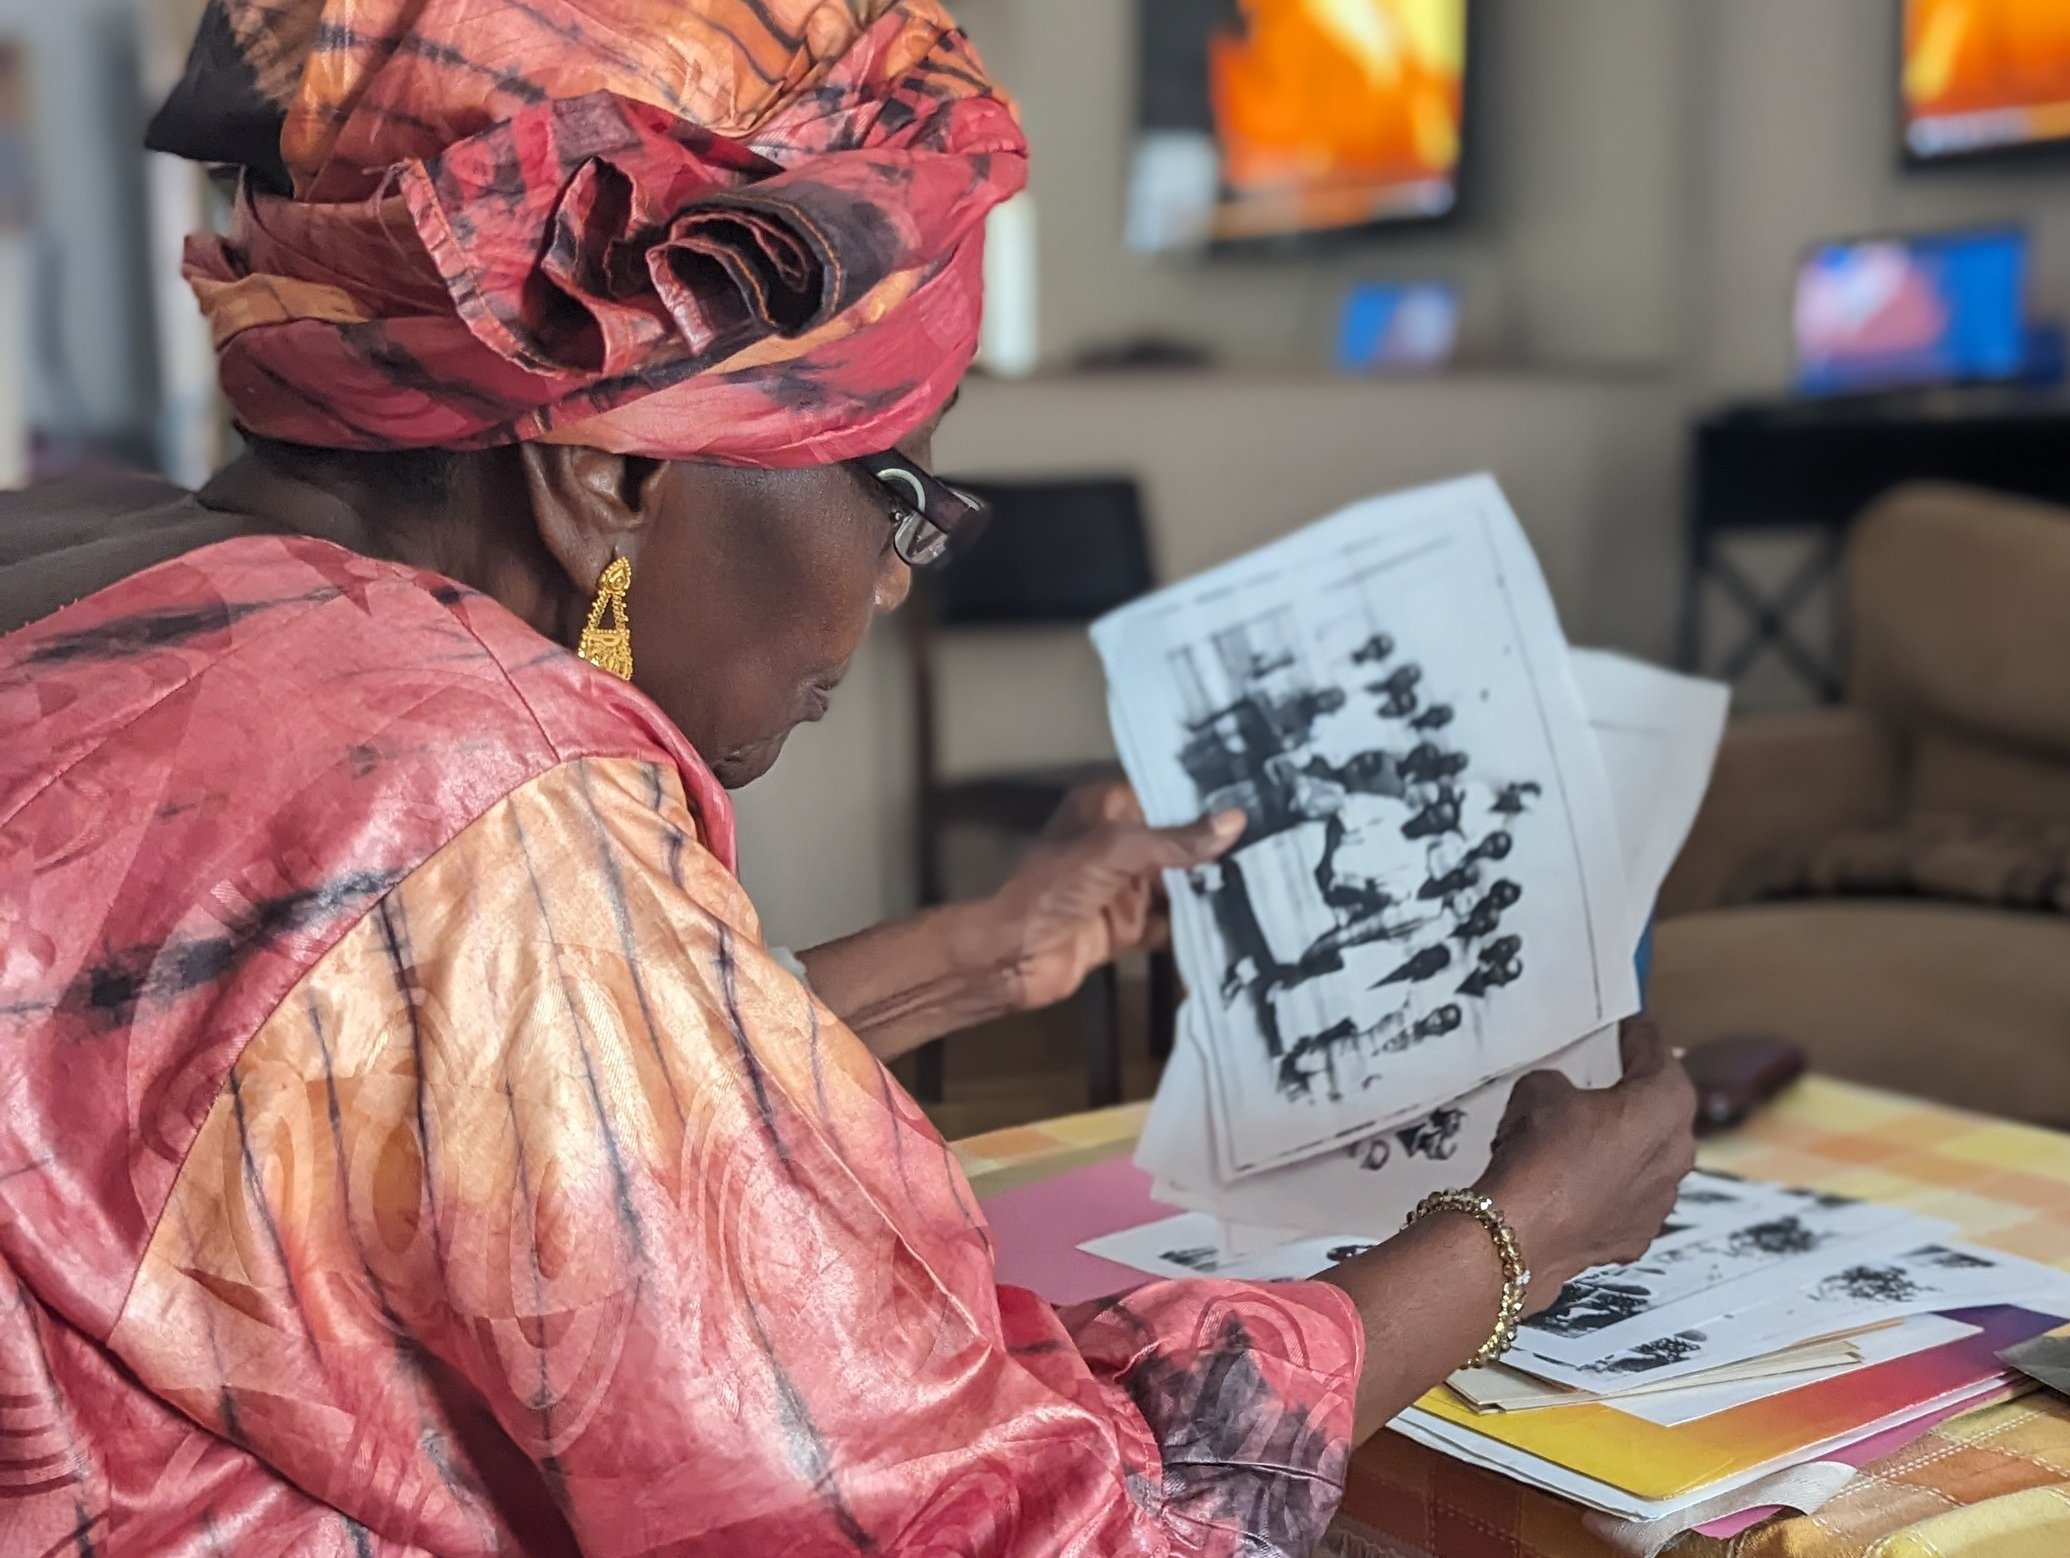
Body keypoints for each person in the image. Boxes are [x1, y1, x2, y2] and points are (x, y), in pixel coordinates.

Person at [0, 1, 1697, 1552]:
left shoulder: (87, 563)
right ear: (610, 477)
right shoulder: (474, 796)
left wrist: (980, 952)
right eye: (896, 494)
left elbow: (439, 1109)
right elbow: (1003, 1525)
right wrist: (1520, 1234)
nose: (891, 582)